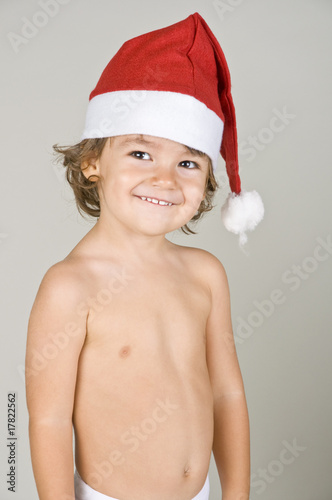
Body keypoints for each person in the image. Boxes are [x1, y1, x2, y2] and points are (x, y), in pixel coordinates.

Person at [26, 12, 263, 500]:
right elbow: (48, 419)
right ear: (92, 161)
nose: (166, 179)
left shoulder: (205, 274)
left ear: (207, 180)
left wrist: (235, 494)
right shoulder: (70, 286)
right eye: (140, 154)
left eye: (188, 162)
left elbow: (227, 392)